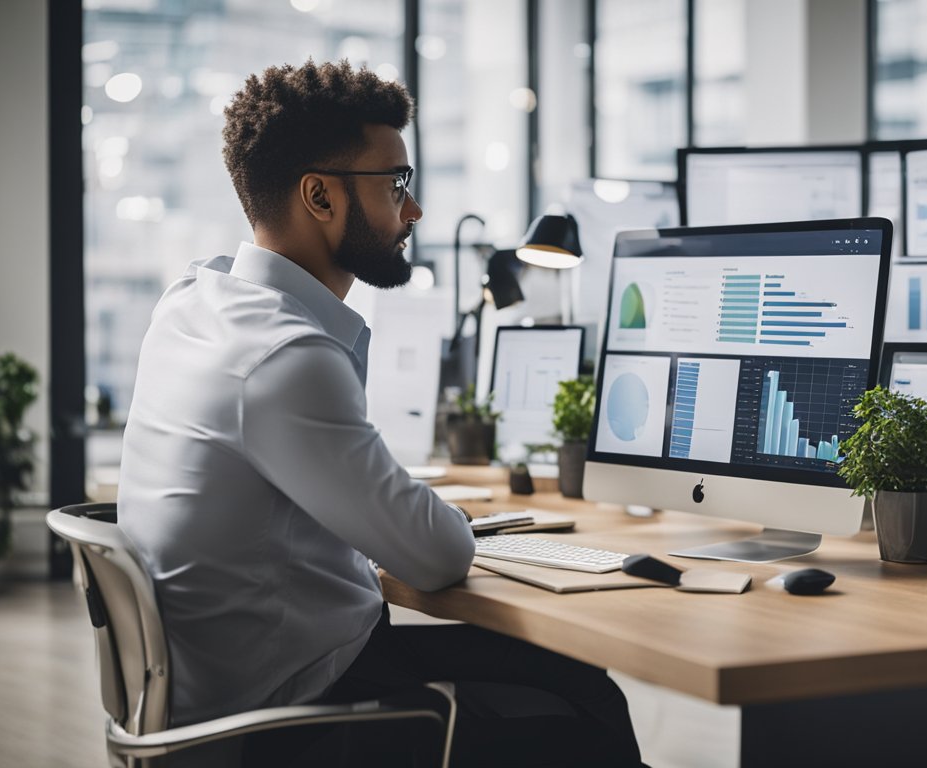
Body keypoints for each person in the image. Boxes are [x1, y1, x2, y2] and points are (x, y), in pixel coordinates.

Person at [118, 59, 643, 767]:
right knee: (584, 704)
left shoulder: (194, 302)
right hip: (282, 720)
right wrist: (439, 519)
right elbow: (435, 556)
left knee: (565, 670)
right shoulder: (284, 355)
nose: (415, 210)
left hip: (224, 689)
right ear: (319, 197)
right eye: (396, 184)